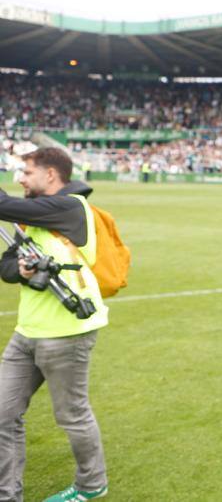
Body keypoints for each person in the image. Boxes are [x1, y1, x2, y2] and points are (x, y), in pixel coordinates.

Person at [0, 148, 109, 502]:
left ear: (50, 175)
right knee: (2, 414)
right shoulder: (31, 217)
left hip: (67, 333)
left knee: (72, 415)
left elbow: (6, 206)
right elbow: (5, 266)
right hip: (27, 332)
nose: (19, 179)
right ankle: (7, 493)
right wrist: (23, 270)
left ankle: (92, 485)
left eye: (26, 172)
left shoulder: (69, 207)